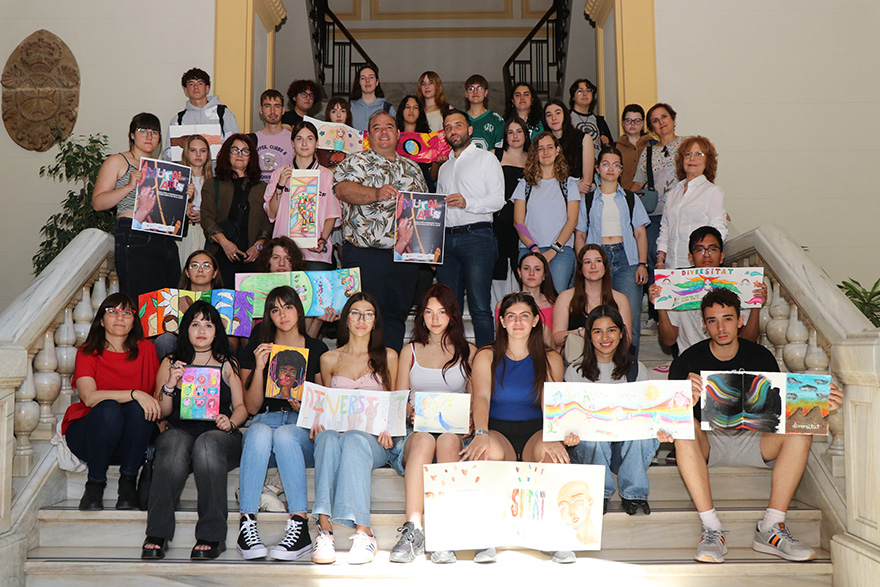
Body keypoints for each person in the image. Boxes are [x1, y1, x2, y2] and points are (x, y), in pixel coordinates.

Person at [669, 288, 844, 563]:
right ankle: (712, 528)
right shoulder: (687, 361)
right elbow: (669, 418)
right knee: (685, 426)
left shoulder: (760, 356)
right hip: (709, 443)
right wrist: (683, 398)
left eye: (727, 319)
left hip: (755, 440)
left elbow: (780, 406)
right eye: (713, 320)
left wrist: (820, 403)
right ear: (704, 325)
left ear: (740, 320)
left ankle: (771, 527)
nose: (721, 327)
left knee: (800, 425)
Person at [461, 292, 575, 564]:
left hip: (536, 430)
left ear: (536, 320)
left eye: (525, 316)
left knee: (551, 455)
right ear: (501, 321)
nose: (518, 322)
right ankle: (487, 535)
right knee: (484, 453)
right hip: (498, 430)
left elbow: (551, 403)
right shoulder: (486, 355)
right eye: (511, 316)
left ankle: (554, 534)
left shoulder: (551, 358)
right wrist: (481, 432)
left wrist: (552, 436)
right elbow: (481, 398)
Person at [140, 301, 246, 560]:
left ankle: (212, 535)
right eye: (195, 324)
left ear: (216, 331)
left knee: (207, 444)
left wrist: (231, 422)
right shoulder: (171, 362)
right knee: (172, 442)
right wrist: (171, 383)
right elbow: (163, 412)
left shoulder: (227, 363)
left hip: (220, 436)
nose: (201, 330)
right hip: (182, 432)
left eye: (208, 325)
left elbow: (242, 407)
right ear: (186, 329)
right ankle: (157, 533)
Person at [234, 286, 329, 561]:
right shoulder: (259, 347)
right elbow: (251, 407)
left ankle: (299, 524)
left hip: (299, 430)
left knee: (286, 434)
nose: (283, 315)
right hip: (266, 420)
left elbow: (326, 405)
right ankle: (247, 524)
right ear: (269, 316)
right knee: (258, 431)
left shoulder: (317, 348)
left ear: (299, 310)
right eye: (275, 310)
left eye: (288, 307)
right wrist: (260, 367)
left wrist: (307, 406)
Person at [388, 284, 476, 564]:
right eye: (429, 312)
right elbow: (399, 401)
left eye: (442, 312)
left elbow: (476, 401)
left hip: (453, 434)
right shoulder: (410, 351)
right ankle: (413, 528)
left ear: (452, 315)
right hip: (417, 433)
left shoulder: (468, 352)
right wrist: (410, 413)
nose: (435, 318)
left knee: (448, 440)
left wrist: (471, 421)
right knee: (425, 438)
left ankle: (445, 532)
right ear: (421, 316)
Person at [311, 293, 399, 565]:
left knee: (354, 439)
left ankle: (364, 532)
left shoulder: (389, 356)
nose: (362, 319)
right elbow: (326, 405)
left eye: (368, 314)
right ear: (346, 319)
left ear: (375, 321)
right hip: (339, 438)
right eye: (355, 313)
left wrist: (391, 429)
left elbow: (395, 402)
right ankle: (325, 530)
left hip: (375, 442)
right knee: (326, 437)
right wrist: (317, 421)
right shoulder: (329, 359)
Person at [334, 111, 428, 352]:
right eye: (377, 127)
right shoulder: (355, 162)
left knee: (396, 316)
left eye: (389, 127)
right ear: (369, 135)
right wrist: (375, 193)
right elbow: (342, 190)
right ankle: (360, 370)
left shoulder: (413, 168)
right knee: (362, 316)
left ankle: (389, 369)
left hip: (404, 258)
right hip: (367, 255)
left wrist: (427, 249)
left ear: (398, 133)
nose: (384, 131)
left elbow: (424, 211)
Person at [62, 293, 160, 511]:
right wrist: (134, 393)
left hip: (133, 439)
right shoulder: (88, 351)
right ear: (102, 320)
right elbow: (89, 397)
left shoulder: (147, 349)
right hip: (92, 436)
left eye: (127, 313)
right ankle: (94, 485)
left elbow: (155, 400)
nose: (120, 317)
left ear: (134, 321)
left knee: (138, 409)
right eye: (112, 311)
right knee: (109, 408)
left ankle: (128, 485)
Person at [565, 305, 660, 515]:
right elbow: (569, 420)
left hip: (623, 450)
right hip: (590, 450)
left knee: (643, 432)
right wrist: (568, 433)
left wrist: (660, 428)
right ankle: (599, 492)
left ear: (621, 333)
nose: (605, 337)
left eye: (611, 330)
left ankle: (634, 494)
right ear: (589, 336)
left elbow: (647, 415)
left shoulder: (636, 369)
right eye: (597, 331)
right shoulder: (575, 371)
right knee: (593, 434)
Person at [92, 113, 182, 298]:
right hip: (134, 232)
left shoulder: (164, 168)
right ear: (132, 135)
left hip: (164, 236)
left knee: (168, 302)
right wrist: (129, 186)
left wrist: (184, 195)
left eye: (154, 132)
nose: (149, 136)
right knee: (138, 298)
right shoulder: (118, 161)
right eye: (143, 131)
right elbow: (98, 203)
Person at [435, 109, 505, 348]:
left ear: (470, 129)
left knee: (479, 306)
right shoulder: (444, 168)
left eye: (458, 125)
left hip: (477, 237)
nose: (452, 131)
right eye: (447, 127)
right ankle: (452, 358)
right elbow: (438, 210)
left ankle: (486, 359)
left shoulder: (487, 159)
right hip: (446, 241)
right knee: (448, 308)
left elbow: (498, 200)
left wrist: (468, 203)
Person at [574, 146, 650, 354]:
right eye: (605, 164)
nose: (610, 169)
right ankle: (596, 361)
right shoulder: (587, 199)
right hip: (597, 259)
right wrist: (583, 263)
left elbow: (640, 233)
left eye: (616, 165)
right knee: (596, 315)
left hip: (627, 259)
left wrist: (642, 264)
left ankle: (629, 364)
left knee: (630, 317)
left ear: (621, 170)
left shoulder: (631, 198)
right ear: (597, 168)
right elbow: (580, 235)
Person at [649, 226, 766, 354]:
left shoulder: (738, 283)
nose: (706, 255)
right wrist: (661, 305)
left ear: (721, 256)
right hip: (691, 358)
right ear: (691, 257)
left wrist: (756, 305)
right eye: (700, 250)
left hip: (729, 358)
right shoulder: (678, 285)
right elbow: (669, 340)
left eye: (712, 249)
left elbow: (748, 339)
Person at [264, 121, 341, 270]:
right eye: (299, 138)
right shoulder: (279, 174)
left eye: (309, 138)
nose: (304, 143)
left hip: (316, 253)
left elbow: (331, 214)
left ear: (317, 143)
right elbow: (271, 213)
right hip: (284, 255)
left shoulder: (326, 175)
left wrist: (323, 239)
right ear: (292, 143)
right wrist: (280, 184)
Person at [512, 131, 580, 293]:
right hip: (529, 251)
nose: (545, 152)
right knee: (530, 300)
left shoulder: (569, 184)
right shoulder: (524, 184)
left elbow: (572, 221)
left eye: (550, 147)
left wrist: (553, 250)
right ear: (535, 153)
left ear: (557, 150)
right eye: (540, 148)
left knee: (556, 298)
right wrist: (535, 250)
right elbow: (518, 222)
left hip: (560, 252)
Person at [200, 134, 272, 288]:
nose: (240, 154)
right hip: (221, 255)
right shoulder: (213, 184)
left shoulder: (262, 188)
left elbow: (268, 220)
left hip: (252, 258)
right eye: (235, 150)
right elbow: (206, 218)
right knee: (224, 300)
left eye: (245, 151)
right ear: (227, 154)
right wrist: (225, 243)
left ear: (251, 157)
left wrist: (258, 246)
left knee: (250, 301)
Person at [631, 103, 685, 291]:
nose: (661, 122)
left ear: (673, 118)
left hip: (682, 211)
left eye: (664, 117)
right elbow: (637, 185)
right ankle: (658, 302)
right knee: (652, 254)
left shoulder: (688, 144)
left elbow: (702, 175)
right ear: (652, 128)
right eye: (655, 120)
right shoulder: (647, 153)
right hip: (655, 214)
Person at [656, 135, 727, 271]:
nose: (692, 158)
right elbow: (665, 229)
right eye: (687, 154)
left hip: (699, 267)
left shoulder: (713, 192)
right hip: (671, 266)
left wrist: (707, 258)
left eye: (699, 154)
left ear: (708, 160)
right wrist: (660, 261)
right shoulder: (672, 193)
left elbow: (718, 231)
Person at [552, 244, 633, 353]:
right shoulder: (565, 298)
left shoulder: (620, 299)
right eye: (587, 262)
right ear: (580, 268)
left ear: (605, 265)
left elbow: (627, 340)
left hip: (610, 356)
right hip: (577, 357)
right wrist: (580, 333)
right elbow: (556, 338)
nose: (593, 266)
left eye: (598, 261)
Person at [152, 249, 224, 360]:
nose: (200, 270)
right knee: (165, 340)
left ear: (214, 273)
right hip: (179, 348)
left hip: (212, 348)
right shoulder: (171, 299)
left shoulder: (225, 301)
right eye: (194, 265)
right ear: (187, 272)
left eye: (206, 266)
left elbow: (231, 345)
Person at [162, 68, 239, 161]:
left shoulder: (224, 114)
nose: (195, 87)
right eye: (191, 84)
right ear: (185, 90)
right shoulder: (178, 120)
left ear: (207, 88)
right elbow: (168, 154)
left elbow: (236, 146)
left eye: (200, 83)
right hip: (189, 170)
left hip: (218, 169)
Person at [492, 117, 530, 296]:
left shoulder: (533, 159)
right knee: (497, 271)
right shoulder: (495, 155)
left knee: (521, 268)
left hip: (523, 222)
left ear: (526, 135)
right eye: (510, 132)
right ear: (505, 136)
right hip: (498, 221)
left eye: (519, 131)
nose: (515, 136)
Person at [495, 251, 557, 348]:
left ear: (544, 274)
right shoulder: (503, 304)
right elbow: (501, 339)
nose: (531, 273)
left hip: (545, 353)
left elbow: (556, 342)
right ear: (519, 272)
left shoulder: (555, 305)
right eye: (526, 268)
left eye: (537, 269)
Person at [544, 99, 594, 194]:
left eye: (558, 113)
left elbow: (586, 183)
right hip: (552, 194)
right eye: (549, 115)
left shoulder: (583, 138)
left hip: (579, 195)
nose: (554, 118)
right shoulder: (543, 143)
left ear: (565, 115)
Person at [178, 134, 213, 264]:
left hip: (206, 232)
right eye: (193, 150)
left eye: (203, 151)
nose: (198, 154)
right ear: (186, 153)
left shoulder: (214, 182)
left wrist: (205, 215)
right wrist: (183, 207)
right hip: (184, 234)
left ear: (208, 154)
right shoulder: (178, 179)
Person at [395, 94, 436, 191]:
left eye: (415, 107)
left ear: (420, 112)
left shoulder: (428, 140)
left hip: (423, 190)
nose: (411, 110)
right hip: (398, 189)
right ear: (401, 111)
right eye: (407, 107)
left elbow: (432, 177)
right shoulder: (393, 138)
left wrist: (437, 162)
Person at [254, 89, 294, 184]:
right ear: (261, 110)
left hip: (285, 191)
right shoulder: (252, 140)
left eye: (277, 106)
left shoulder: (293, 139)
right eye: (267, 106)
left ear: (283, 110)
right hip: (258, 191)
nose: (272, 111)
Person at [568, 78, 613, 156]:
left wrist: (606, 143)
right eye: (580, 91)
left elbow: (611, 147)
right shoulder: (566, 117)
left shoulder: (600, 121)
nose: (585, 94)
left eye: (588, 91)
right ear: (573, 97)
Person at [615, 104, 654, 191]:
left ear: (643, 123)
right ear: (622, 123)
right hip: (623, 195)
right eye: (628, 120)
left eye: (637, 121)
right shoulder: (615, 147)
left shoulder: (653, 145)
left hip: (648, 195)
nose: (632, 124)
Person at [464, 74, 504, 152]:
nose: (475, 92)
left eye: (479, 88)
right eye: (471, 88)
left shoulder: (496, 119)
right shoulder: (460, 119)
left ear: (486, 92)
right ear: (466, 93)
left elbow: (500, 150)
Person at [349, 64, 396, 131]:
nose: (367, 81)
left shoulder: (387, 108)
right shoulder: (350, 107)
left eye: (371, 77)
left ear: (377, 82)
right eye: (363, 78)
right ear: (358, 83)